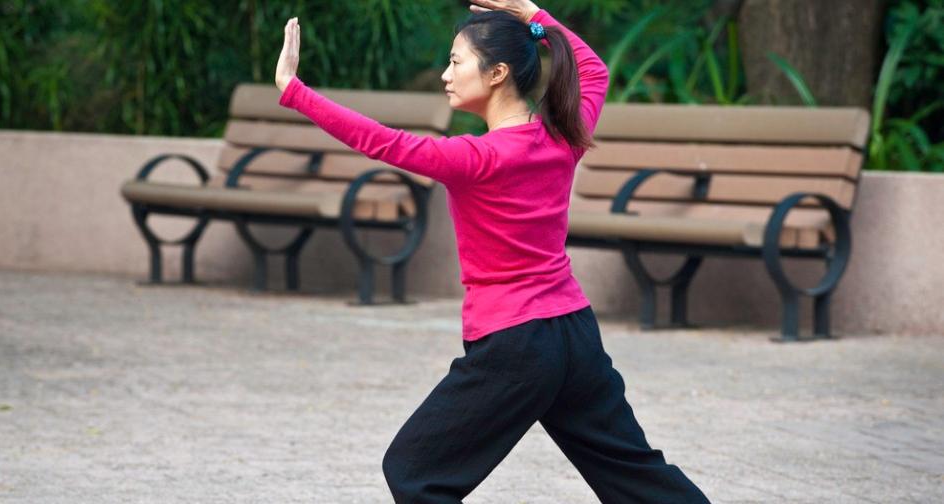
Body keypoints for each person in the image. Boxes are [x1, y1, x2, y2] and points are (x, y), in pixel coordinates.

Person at [275, 1, 711, 502]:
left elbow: (382, 142)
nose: (445, 74)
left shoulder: (475, 158)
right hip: (574, 335)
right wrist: (537, 16)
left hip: (515, 344)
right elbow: (593, 69)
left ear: (498, 72)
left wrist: (295, 92)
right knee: (633, 472)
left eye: (456, 62)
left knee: (413, 470)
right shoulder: (564, 135)